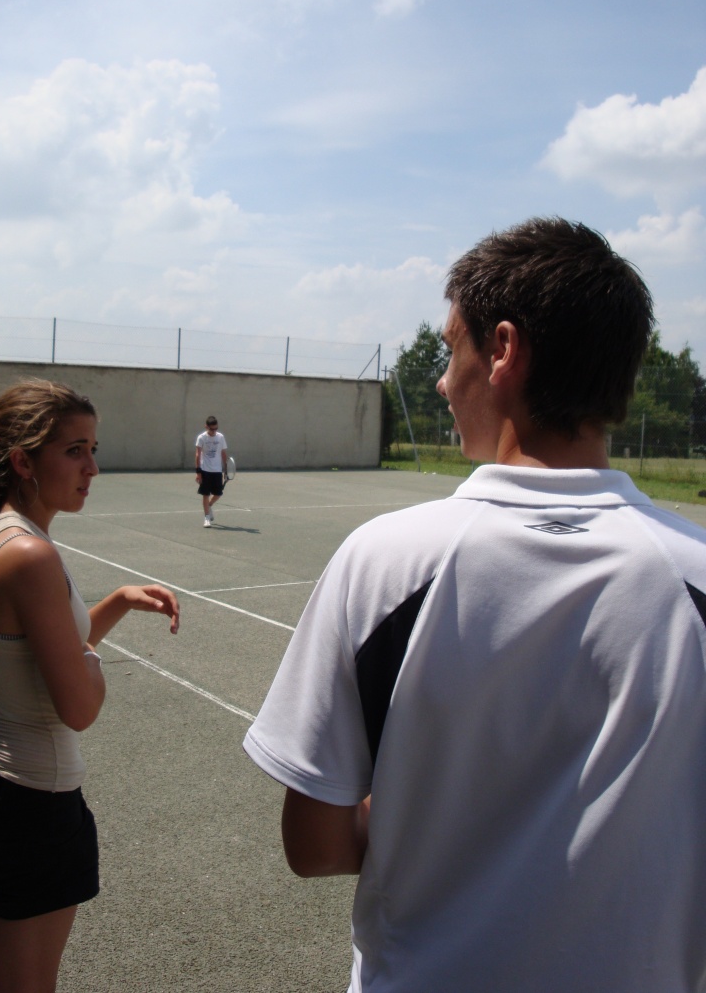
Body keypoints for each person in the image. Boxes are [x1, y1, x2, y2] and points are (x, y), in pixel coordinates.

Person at [243, 217, 706, 993]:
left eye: (450, 350)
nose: (439, 379)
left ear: (502, 350)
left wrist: (432, 820)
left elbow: (315, 841)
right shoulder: (693, 576)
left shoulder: (384, 561)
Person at [0, 379, 180, 993]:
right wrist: (91, 665)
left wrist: (115, 602)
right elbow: (78, 704)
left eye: (94, 447)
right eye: (74, 450)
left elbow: (40, 653)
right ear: (23, 461)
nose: (93, 466)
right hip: (27, 801)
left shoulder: (1, 530)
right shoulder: (32, 556)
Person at [195, 416, 227, 527]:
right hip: (205, 470)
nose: (214, 431)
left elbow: (223, 453)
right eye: (211, 429)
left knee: (218, 493)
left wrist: (225, 469)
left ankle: (209, 506)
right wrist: (198, 472)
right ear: (206, 427)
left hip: (217, 470)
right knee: (205, 494)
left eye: (216, 429)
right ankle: (207, 517)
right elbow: (198, 454)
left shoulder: (220, 437)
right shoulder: (201, 438)